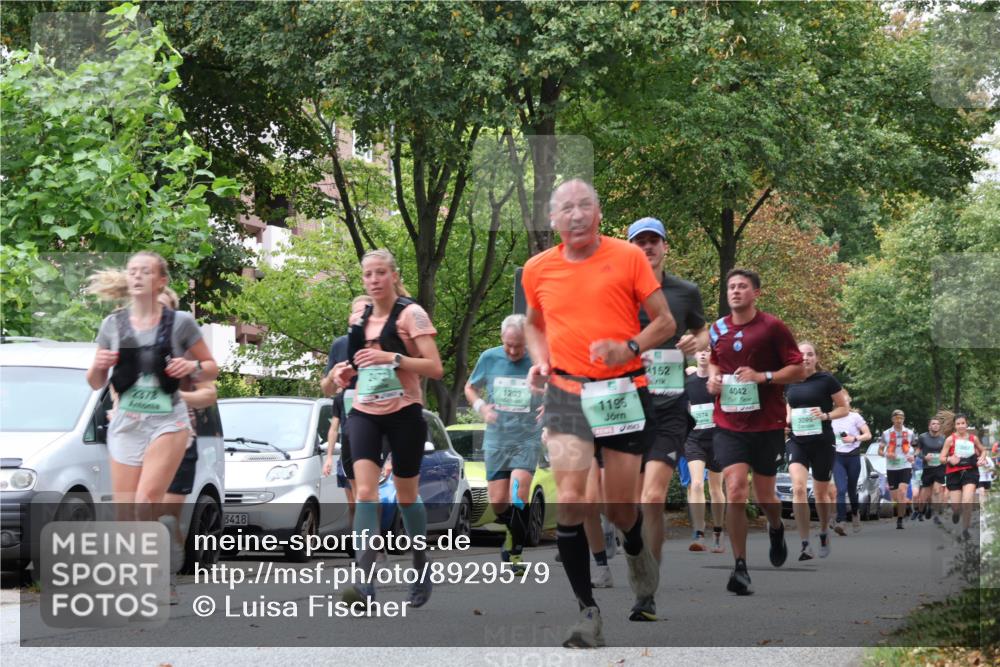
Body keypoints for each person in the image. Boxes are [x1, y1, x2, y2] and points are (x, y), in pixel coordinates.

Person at [522, 179, 675, 646]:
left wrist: (628, 345)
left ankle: (633, 549)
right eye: (565, 207)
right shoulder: (536, 269)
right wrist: (540, 359)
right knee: (572, 499)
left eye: (584, 205)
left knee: (618, 506)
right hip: (567, 392)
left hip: (623, 390)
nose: (575, 214)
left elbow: (665, 322)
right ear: (552, 220)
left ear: (599, 212)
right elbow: (533, 323)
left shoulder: (628, 258)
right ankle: (588, 612)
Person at [331, 249, 443, 608]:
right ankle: (364, 582)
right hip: (364, 410)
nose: (374, 280)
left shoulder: (412, 314)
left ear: (394, 275)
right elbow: (351, 366)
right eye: (368, 274)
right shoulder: (359, 319)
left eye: (381, 273)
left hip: (404, 410)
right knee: (365, 493)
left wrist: (392, 358)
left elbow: (435, 367)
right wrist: (343, 373)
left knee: (407, 495)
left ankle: (420, 564)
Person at [707, 267, 806, 595]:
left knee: (765, 496)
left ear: (755, 293)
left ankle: (775, 526)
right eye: (731, 286)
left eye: (742, 286)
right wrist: (713, 378)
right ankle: (740, 567)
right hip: (728, 424)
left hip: (766, 423)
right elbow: (712, 361)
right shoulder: (717, 328)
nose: (735, 291)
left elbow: (798, 368)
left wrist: (763, 376)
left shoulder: (772, 327)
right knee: (735, 489)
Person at [627, 217, 708, 572]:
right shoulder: (616, 290)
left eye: (653, 241)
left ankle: (649, 577)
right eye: (639, 241)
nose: (647, 247)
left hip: (668, 406)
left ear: (664, 247)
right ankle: (632, 549)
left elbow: (703, 332)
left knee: (653, 497)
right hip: (625, 406)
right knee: (626, 502)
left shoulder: (685, 292)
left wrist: (696, 342)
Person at [464, 314, 543, 574]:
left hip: (526, 437)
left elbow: (559, 388)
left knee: (518, 495)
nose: (512, 351)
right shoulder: (490, 357)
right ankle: (512, 532)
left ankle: (515, 552)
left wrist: (549, 405)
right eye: (508, 345)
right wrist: (482, 407)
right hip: (497, 438)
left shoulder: (538, 360)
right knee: (498, 501)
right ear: (502, 339)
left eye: (518, 346)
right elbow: (470, 388)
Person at [784, 342, 849, 561]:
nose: (805, 358)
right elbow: (789, 409)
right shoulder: (789, 381)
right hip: (797, 441)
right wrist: (785, 421)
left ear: (815, 357)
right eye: (801, 355)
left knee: (821, 493)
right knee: (799, 489)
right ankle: (804, 544)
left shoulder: (826, 380)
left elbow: (844, 407)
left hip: (822, 441)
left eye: (809, 354)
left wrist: (825, 416)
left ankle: (822, 531)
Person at [321, 296, 374, 525]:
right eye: (356, 311)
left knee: (370, 492)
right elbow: (326, 389)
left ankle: (373, 546)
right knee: (357, 494)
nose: (360, 315)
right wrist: (333, 376)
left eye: (366, 311)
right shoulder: (340, 345)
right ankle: (365, 547)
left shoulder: (383, 340)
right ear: (349, 317)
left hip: (379, 421)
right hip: (351, 425)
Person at [684, 350, 727, 553]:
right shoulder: (688, 380)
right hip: (694, 439)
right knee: (697, 483)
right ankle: (699, 533)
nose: (703, 354)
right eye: (700, 351)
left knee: (716, 489)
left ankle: (718, 533)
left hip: (718, 439)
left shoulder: (719, 380)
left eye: (707, 350)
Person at [943, 414, 986, 540]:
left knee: (967, 501)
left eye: (963, 423)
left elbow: (983, 450)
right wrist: (949, 459)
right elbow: (942, 458)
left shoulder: (974, 438)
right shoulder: (950, 440)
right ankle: (956, 512)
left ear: (967, 424)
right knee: (956, 506)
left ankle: (965, 529)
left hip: (970, 471)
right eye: (958, 423)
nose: (961, 426)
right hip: (954, 473)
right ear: (955, 426)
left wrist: (982, 457)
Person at [830, 404, 872, 534]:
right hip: (837, 457)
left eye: (845, 400)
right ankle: (841, 521)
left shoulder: (855, 417)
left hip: (853, 456)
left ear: (849, 402)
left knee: (852, 489)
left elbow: (868, 435)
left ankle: (855, 513)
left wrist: (853, 438)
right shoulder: (831, 417)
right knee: (840, 490)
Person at [878, 410, 917, 530]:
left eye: (901, 418)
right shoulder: (886, 433)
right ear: (892, 420)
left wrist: (913, 456)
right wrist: (886, 454)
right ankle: (905, 506)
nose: (899, 420)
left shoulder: (910, 433)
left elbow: (917, 448)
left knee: (902, 491)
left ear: (904, 419)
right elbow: (879, 451)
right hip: (892, 466)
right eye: (896, 418)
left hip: (905, 465)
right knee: (895, 497)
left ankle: (900, 520)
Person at [915, 417, 947, 525]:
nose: (936, 425)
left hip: (939, 467)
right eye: (933, 424)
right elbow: (917, 451)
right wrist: (924, 457)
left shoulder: (943, 438)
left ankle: (936, 515)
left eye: (937, 424)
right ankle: (921, 511)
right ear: (929, 426)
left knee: (937, 491)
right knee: (925, 495)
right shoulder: (922, 437)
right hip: (927, 468)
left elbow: (946, 452)